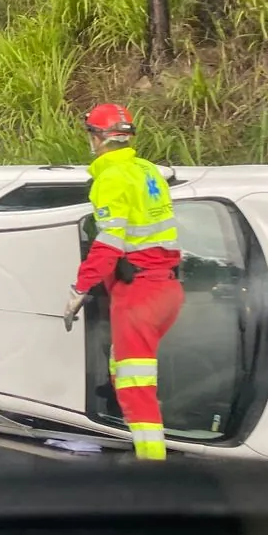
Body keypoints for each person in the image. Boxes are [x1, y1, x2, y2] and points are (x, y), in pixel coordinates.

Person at [66, 104, 184, 461]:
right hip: (166, 292)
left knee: (136, 388)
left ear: (99, 138)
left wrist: (80, 288)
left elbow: (109, 244)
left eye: (91, 134)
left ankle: (152, 469)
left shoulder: (111, 180)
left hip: (140, 299)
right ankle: (135, 425)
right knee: (124, 369)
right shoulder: (148, 172)